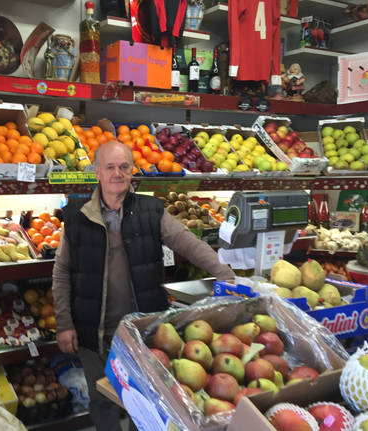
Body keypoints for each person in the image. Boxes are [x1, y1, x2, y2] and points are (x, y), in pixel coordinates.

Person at [52, 141, 235, 431]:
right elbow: (61, 271)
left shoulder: (151, 210)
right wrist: (64, 322)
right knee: (102, 399)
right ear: (97, 172)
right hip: (92, 330)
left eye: (124, 166)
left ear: (132, 171)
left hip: (141, 329)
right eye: (110, 167)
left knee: (147, 398)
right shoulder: (76, 216)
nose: (117, 173)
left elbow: (187, 241)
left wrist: (223, 273)